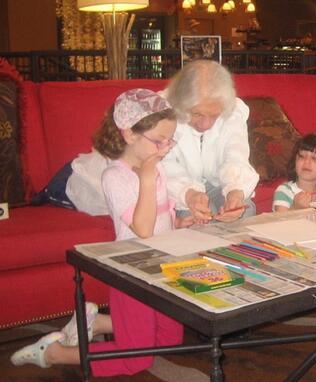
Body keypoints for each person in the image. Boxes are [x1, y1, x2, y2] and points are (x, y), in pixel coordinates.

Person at [11, 89, 188, 375]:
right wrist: (146, 177)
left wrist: (180, 222)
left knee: (170, 339)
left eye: (170, 139)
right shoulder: (115, 176)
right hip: (132, 272)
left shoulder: (156, 166)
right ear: (130, 134)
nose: (166, 147)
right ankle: (55, 353)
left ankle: (98, 323)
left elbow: (159, 217)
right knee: (138, 359)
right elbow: (143, 228)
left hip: (162, 265)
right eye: (159, 140)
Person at [162, 59, 259, 223]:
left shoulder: (232, 109)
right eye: (197, 114)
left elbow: (235, 155)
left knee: (244, 212)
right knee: (195, 221)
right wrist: (189, 194)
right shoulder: (161, 112)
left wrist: (235, 191)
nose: (205, 124)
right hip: (177, 186)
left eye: (214, 115)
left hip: (217, 183)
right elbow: (164, 166)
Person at [272, 133, 316, 212]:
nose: (306, 162)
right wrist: (295, 208)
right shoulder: (284, 191)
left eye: (315, 158)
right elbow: (281, 222)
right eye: (301, 156)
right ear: (294, 161)